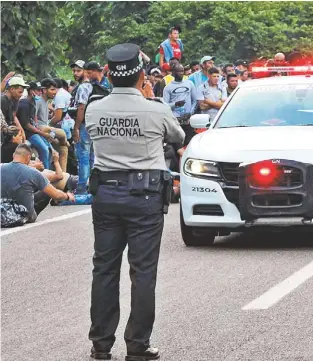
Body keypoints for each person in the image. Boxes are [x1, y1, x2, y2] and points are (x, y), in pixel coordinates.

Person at [84, 43, 185, 361]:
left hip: (107, 197)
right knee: (142, 272)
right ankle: (138, 345)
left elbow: (91, 136)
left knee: (104, 269)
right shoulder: (155, 109)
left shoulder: (95, 108)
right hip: (145, 198)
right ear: (142, 76)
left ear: (108, 75)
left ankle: (101, 345)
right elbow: (178, 137)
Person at [1, 144, 74, 223]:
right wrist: (67, 196)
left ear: (13, 155)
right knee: (47, 190)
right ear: (28, 157)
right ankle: (29, 215)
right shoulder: (33, 172)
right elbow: (56, 195)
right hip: (24, 215)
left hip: (3, 213)